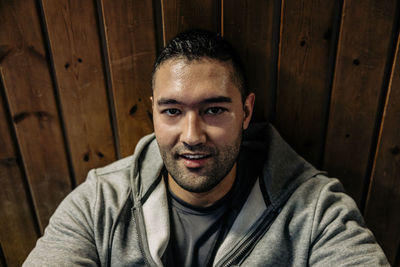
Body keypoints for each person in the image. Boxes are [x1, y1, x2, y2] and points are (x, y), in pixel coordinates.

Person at [24, 29, 389, 266]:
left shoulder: (316, 212)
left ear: (245, 112)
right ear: (152, 111)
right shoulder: (98, 203)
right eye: (172, 111)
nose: (192, 135)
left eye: (214, 110)